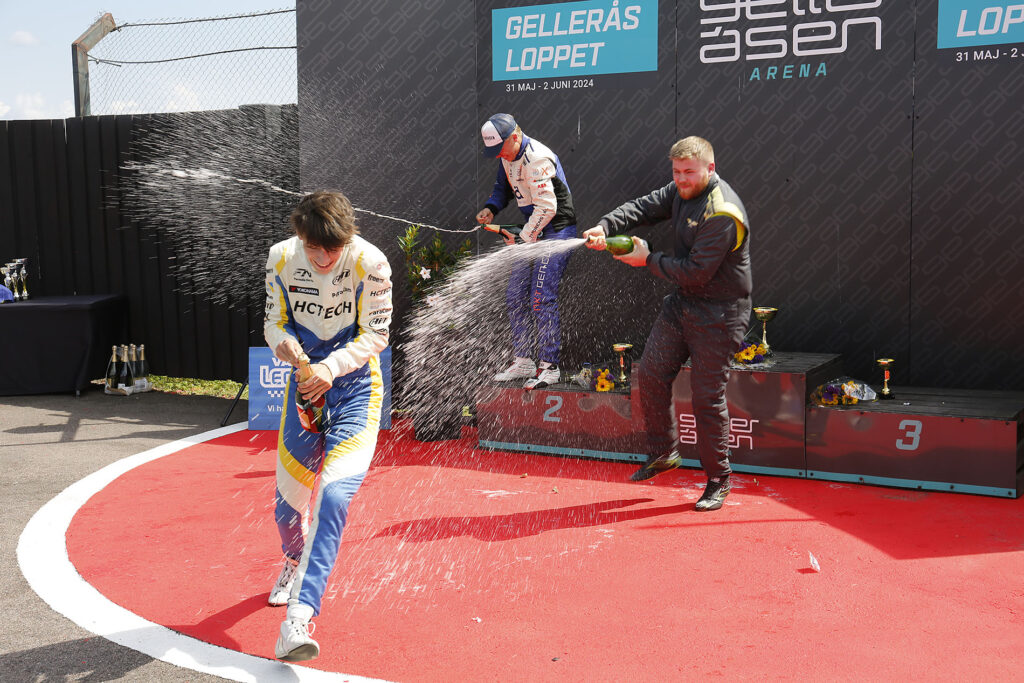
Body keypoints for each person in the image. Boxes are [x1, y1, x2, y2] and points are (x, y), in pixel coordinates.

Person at [583, 136, 751, 512]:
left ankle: (718, 479)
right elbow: (643, 206)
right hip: (683, 304)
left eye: (689, 172)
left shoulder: (723, 212)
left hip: (720, 314)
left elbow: (695, 272)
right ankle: (663, 453)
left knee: (707, 399)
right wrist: (605, 226)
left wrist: (646, 259)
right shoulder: (680, 189)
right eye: (676, 172)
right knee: (651, 374)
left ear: (710, 168)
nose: (681, 179)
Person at [263, 190, 392, 660]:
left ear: (349, 237)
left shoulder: (371, 262)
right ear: (300, 237)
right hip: (304, 388)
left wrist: (329, 368)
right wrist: (286, 348)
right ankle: (293, 561)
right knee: (286, 510)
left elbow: (377, 333)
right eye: (313, 247)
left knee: (334, 497)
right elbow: (272, 323)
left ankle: (298, 619)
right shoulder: (280, 257)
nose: (322, 258)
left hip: (356, 389)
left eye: (332, 248)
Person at [476, 113, 577, 390]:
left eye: (501, 148)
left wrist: (524, 237)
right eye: (494, 151)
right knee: (515, 295)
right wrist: (491, 208)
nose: (499, 155)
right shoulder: (507, 156)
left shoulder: (538, 157)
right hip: (534, 228)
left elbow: (547, 208)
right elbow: (502, 188)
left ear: (515, 136)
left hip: (557, 231)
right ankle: (524, 361)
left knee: (541, 297)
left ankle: (549, 366)